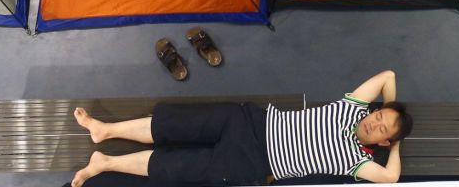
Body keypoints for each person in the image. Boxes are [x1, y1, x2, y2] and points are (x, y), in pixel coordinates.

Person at [70, 70, 410, 187]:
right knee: (174, 124)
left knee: (172, 167)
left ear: (385, 140)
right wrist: (390, 107)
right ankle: (106, 131)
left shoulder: (357, 161)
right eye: (379, 116)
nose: (375, 121)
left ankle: (105, 164)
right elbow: (387, 77)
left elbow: (391, 178)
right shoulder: (352, 108)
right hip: (251, 122)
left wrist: (393, 147)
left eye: (383, 128)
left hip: (252, 164)